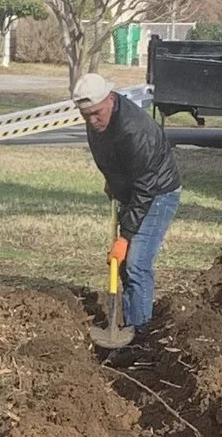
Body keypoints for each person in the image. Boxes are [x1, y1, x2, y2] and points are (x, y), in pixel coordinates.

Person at [73, 70, 181, 349]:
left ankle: (141, 336)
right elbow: (110, 157)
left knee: (135, 263)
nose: (92, 120)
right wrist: (112, 181)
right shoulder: (99, 121)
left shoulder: (134, 130)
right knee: (122, 265)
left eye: (96, 113)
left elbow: (146, 188)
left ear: (110, 99)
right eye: (86, 115)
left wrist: (125, 237)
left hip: (157, 194)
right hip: (132, 192)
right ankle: (130, 324)